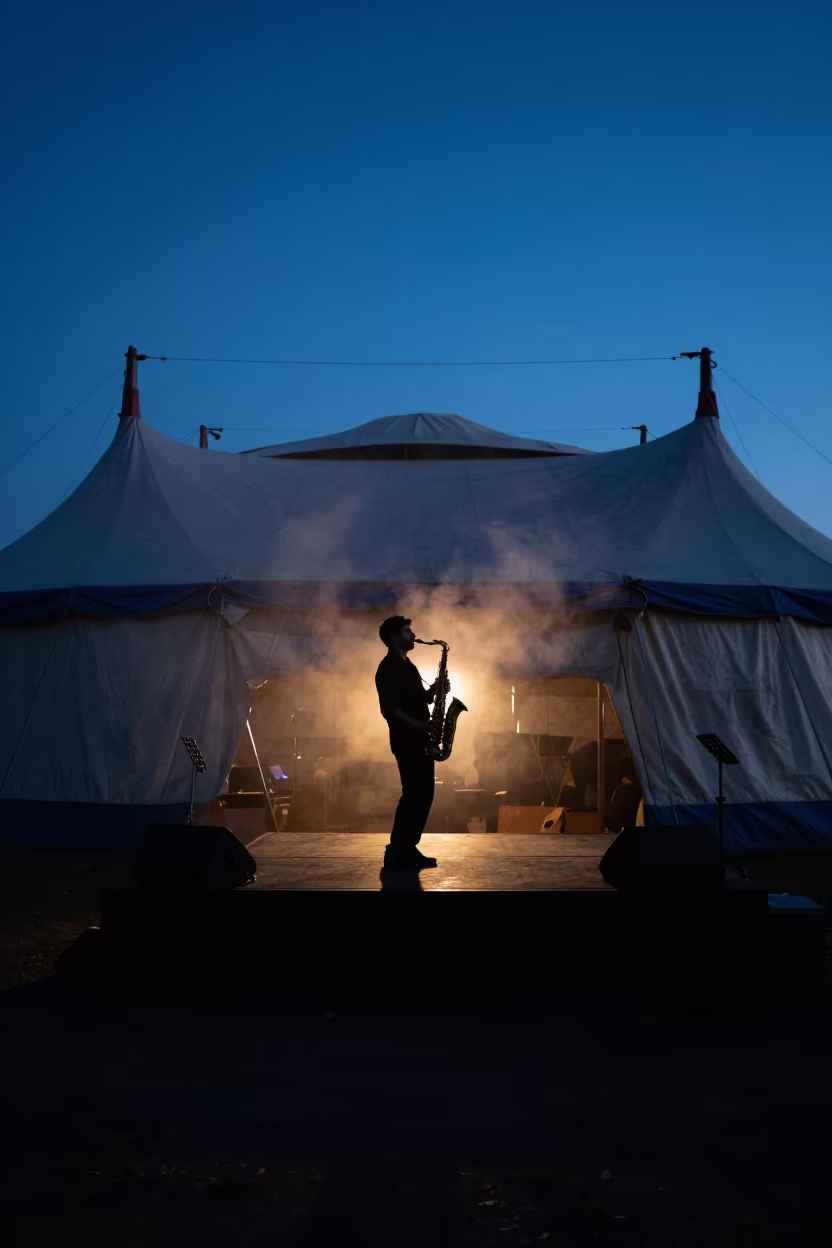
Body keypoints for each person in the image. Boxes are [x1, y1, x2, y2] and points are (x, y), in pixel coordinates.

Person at [375, 615, 448, 868]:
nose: (413, 635)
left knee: (423, 794)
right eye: (407, 631)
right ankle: (397, 851)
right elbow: (389, 710)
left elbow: (421, 701)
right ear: (395, 637)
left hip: (420, 738)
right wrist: (420, 725)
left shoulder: (409, 666)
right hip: (407, 740)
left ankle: (407, 847)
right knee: (413, 795)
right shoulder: (387, 668)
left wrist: (435, 689)